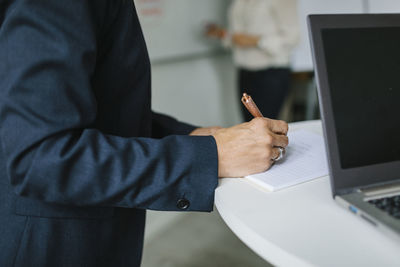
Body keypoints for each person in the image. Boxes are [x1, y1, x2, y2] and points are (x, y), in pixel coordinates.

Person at [0, 1, 289, 266]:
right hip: (54, 243)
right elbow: (42, 157)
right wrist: (211, 156)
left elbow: (103, 113)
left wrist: (194, 135)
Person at [206, 0, 300, 121]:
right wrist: (223, 34)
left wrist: (256, 41)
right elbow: (238, 35)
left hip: (271, 72)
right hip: (244, 70)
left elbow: (293, 37)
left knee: (265, 126)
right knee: (249, 125)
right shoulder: (238, 2)